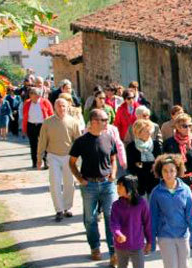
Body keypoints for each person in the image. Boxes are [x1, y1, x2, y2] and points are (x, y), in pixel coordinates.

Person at [68, 109, 119, 266]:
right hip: (89, 184)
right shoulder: (81, 141)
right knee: (90, 218)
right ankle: (95, 247)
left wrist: (113, 174)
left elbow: (113, 159)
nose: (107, 122)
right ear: (94, 121)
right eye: (104, 119)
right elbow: (71, 162)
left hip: (107, 184)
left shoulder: (109, 137)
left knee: (111, 217)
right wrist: (80, 179)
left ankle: (113, 252)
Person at [150, 154, 192, 268]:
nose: (168, 174)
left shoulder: (185, 190)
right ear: (160, 172)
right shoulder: (156, 193)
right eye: (165, 171)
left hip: (183, 236)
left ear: (177, 171)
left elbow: (191, 215)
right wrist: (151, 241)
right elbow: (153, 218)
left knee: (184, 265)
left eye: (172, 170)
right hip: (165, 236)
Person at [37, 98, 82, 222]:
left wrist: (80, 159)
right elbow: (42, 140)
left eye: (63, 106)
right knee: (55, 183)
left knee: (69, 183)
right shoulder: (48, 122)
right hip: (53, 155)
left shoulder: (73, 122)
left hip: (69, 156)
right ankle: (59, 209)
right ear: (54, 107)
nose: (61, 108)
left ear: (67, 107)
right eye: (58, 106)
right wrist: (39, 157)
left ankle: (67, 207)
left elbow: (78, 141)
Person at [110, 175, 152, 268]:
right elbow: (114, 223)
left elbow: (147, 223)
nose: (118, 188)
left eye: (121, 186)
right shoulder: (116, 205)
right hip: (120, 246)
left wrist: (149, 241)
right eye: (117, 186)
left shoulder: (142, 203)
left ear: (130, 188)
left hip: (137, 246)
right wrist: (118, 234)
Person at [126, 119, 162, 196]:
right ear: (138, 132)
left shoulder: (156, 144)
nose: (149, 133)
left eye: (150, 130)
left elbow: (160, 161)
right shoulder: (131, 147)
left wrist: (154, 166)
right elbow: (130, 166)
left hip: (154, 179)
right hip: (139, 181)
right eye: (146, 131)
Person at [163, 113, 192, 184]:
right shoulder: (169, 143)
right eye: (185, 126)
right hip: (176, 180)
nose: (188, 128)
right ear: (177, 127)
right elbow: (165, 162)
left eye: (190, 126)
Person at [23, 87, 54, 168]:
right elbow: (25, 115)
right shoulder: (27, 103)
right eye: (32, 96)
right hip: (31, 125)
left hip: (42, 125)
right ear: (30, 95)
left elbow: (51, 113)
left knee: (45, 144)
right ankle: (35, 161)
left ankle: (46, 161)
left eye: (37, 96)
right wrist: (24, 128)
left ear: (39, 95)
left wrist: (51, 126)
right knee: (33, 145)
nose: (35, 98)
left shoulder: (45, 102)